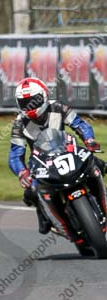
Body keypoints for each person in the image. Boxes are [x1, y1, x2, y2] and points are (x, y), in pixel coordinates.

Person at [8, 77, 103, 233]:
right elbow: (15, 154)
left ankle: (101, 199)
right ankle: (44, 215)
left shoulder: (59, 107)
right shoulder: (19, 124)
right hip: (40, 161)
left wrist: (89, 140)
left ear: (44, 95)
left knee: (96, 163)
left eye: (34, 100)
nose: (30, 106)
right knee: (32, 190)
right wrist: (22, 172)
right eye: (25, 103)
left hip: (66, 149)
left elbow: (80, 124)